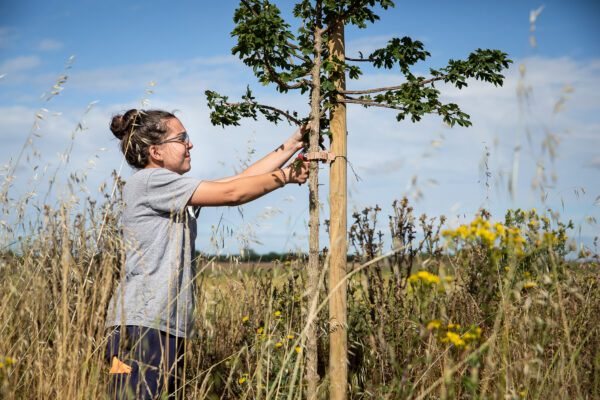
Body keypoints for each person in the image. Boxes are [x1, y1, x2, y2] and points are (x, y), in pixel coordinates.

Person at [105, 109, 309, 399]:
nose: (190, 145)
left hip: (160, 327)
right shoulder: (150, 181)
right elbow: (232, 195)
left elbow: (234, 184)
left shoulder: (170, 187)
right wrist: (287, 176)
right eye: (182, 138)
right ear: (156, 151)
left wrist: (290, 147)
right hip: (142, 327)